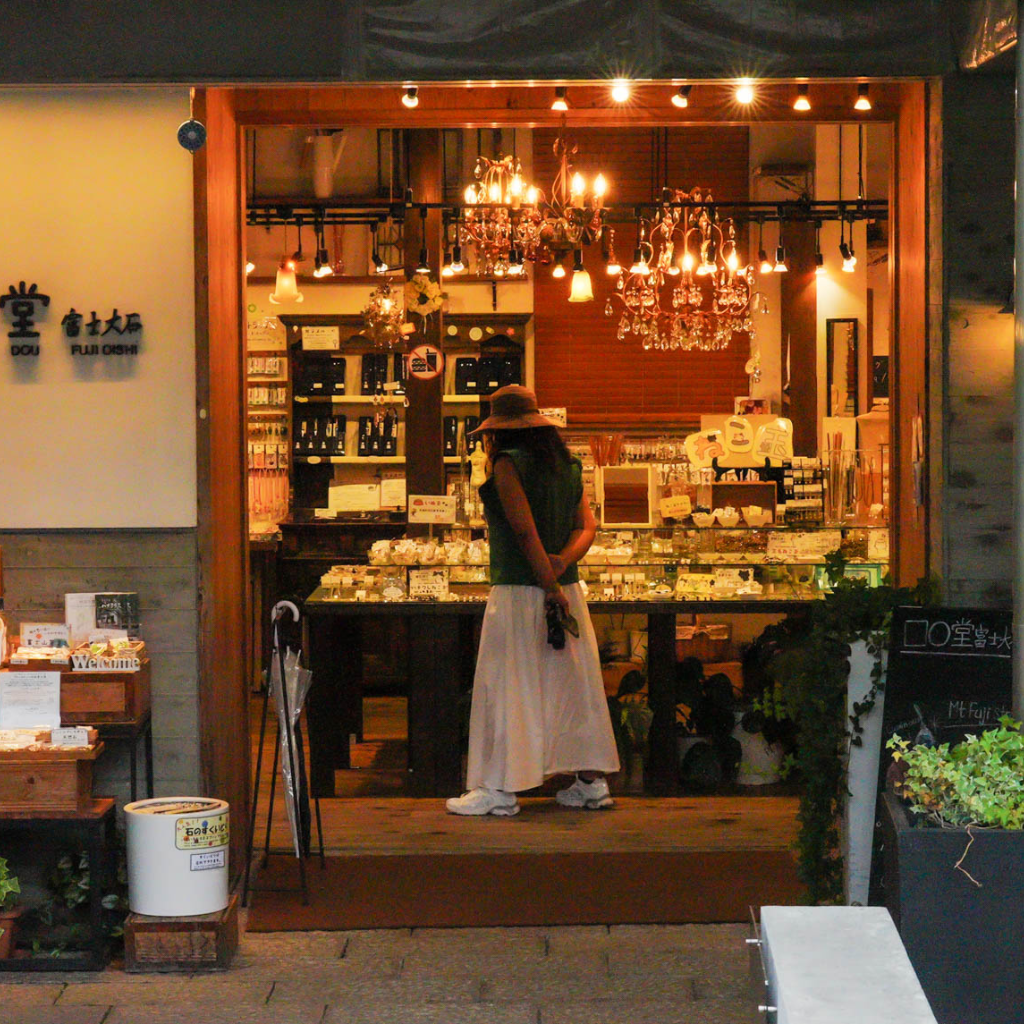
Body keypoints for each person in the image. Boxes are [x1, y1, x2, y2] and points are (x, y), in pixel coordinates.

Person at [446, 385, 620, 816]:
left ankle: (500, 789)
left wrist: (547, 585)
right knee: (573, 686)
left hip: (522, 592)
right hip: (567, 593)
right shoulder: (568, 465)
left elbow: (523, 533)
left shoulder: (507, 466)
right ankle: (591, 783)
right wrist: (561, 566)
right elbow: (588, 528)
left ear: (498, 432)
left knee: (508, 684)